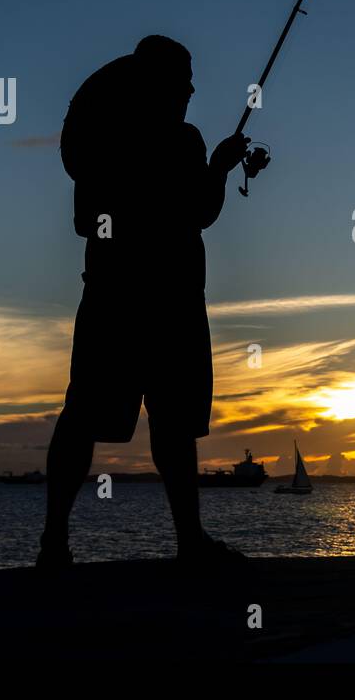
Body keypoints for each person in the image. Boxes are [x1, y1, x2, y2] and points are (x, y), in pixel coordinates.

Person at [37, 34, 257, 567]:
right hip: (167, 306)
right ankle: (188, 545)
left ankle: (54, 545)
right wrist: (218, 171)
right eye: (183, 82)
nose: (189, 92)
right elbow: (199, 213)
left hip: (112, 300)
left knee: (91, 417)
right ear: (162, 85)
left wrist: (208, 174)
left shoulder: (102, 142)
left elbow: (86, 221)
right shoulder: (182, 142)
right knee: (167, 426)